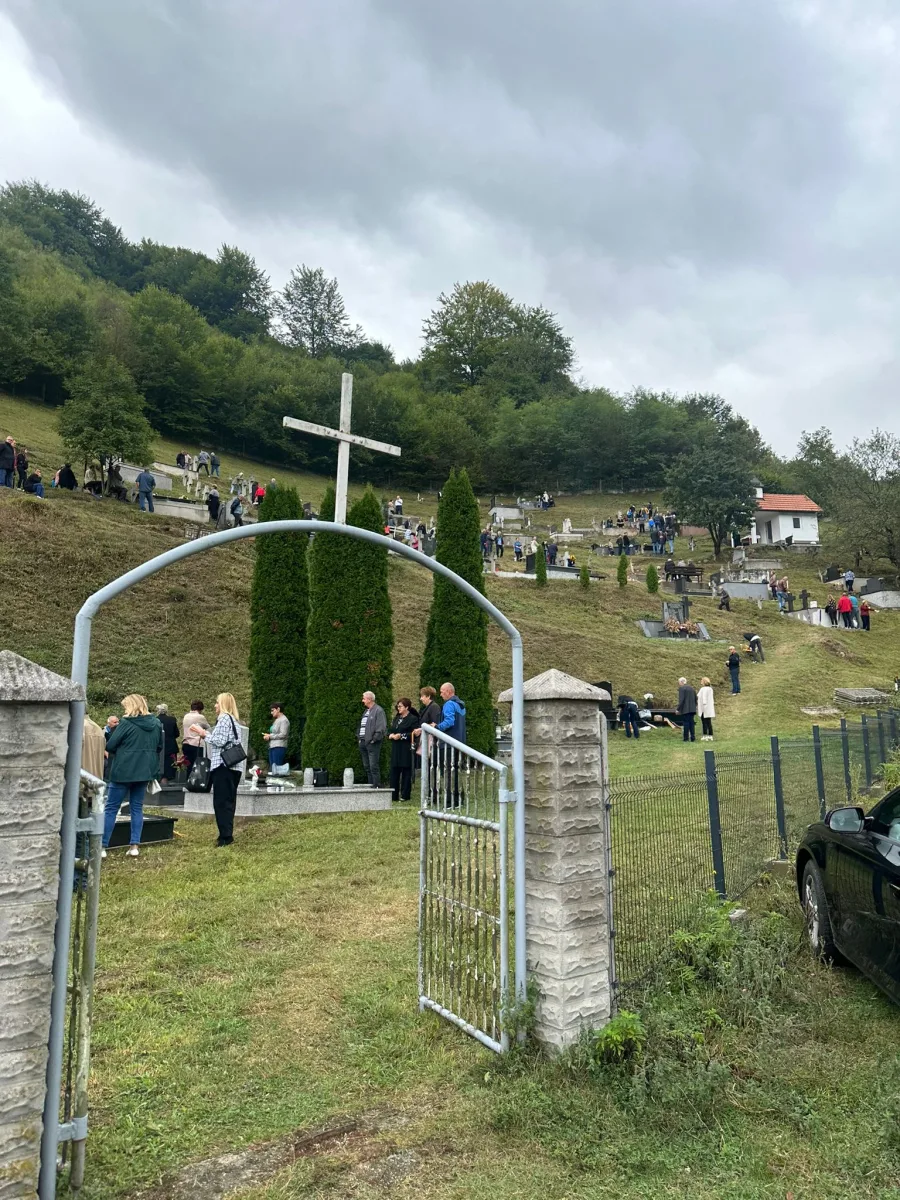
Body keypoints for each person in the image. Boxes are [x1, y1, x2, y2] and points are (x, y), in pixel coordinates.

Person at [102, 694, 163, 859]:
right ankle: (134, 846)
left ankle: (102, 846)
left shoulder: (126, 723)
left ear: (131, 706)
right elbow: (159, 746)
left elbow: (111, 745)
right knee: (137, 808)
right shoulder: (156, 723)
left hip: (123, 771)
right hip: (144, 772)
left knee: (111, 808)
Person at [191, 693, 244, 846]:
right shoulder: (233, 720)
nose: (215, 705)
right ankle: (226, 833)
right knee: (229, 802)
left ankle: (225, 837)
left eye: (217, 702)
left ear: (223, 704)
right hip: (234, 766)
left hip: (223, 765)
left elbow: (219, 741)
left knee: (221, 803)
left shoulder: (224, 719)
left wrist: (203, 733)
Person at [388, 698, 420, 802]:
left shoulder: (413, 719)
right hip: (396, 748)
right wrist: (390, 735)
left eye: (400, 706)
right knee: (394, 771)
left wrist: (401, 736)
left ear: (407, 707)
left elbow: (414, 733)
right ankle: (393, 795)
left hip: (406, 748)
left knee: (406, 771)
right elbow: (391, 729)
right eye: (397, 706)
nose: (398, 708)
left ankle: (405, 795)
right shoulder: (397, 718)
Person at [358, 690, 387, 786]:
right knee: (367, 766)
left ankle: (376, 786)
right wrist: (359, 739)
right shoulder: (366, 711)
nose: (362, 700)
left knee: (373, 766)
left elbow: (381, 727)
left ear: (369, 699)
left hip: (372, 743)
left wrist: (374, 740)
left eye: (364, 698)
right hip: (363, 742)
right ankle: (370, 786)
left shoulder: (379, 710)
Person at [181, 700, 209, 771]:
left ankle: (188, 778)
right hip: (196, 745)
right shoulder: (200, 717)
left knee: (189, 768)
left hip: (186, 744)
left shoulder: (186, 716)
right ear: (200, 709)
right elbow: (208, 728)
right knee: (197, 768)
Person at [155, 703, 180, 783]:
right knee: (169, 765)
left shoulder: (155, 720)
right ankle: (168, 780)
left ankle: (159, 780)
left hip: (158, 746)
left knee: (159, 763)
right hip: (171, 746)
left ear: (157, 711)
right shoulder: (172, 719)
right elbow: (177, 734)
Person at [262, 702, 290, 771]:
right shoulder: (277, 719)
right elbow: (275, 733)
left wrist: (270, 736)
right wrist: (268, 735)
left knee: (277, 769)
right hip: (273, 746)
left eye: (272, 710)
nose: (271, 713)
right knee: (273, 769)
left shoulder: (284, 720)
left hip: (279, 747)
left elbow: (283, 734)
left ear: (278, 709)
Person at [677, 677, 698, 742]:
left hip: (685, 709)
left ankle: (686, 738)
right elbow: (696, 698)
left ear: (682, 682)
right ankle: (693, 738)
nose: (679, 684)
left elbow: (681, 700)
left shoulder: (682, 688)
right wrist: (695, 707)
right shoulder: (692, 688)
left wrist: (678, 709)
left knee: (686, 723)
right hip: (692, 709)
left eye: (679, 682)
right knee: (691, 723)